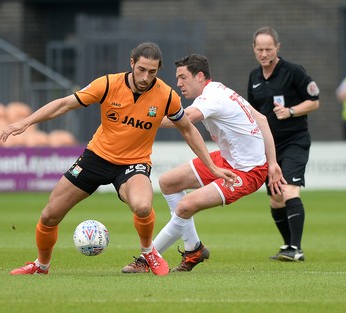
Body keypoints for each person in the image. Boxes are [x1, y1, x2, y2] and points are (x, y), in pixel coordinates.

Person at [0, 42, 235, 276]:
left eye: (152, 72)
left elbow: (188, 130)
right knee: (50, 215)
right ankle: (41, 266)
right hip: (96, 158)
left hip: (134, 164)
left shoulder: (166, 96)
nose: (145, 77)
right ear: (132, 63)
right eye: (141, 69)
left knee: (143, 206)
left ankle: (149, 251)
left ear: (158, 70)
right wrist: (26, 122)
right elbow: (64, 104)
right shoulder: (108, 84)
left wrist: (211, 166)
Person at [122, 54, 285, 273]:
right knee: (168, 182)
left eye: (183, 77)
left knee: (185, 206)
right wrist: (273, 162)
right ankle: (194, 249)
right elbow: (262, 120)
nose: (179, 83)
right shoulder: (219, 90)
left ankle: (145, 259)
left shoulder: (212, 97)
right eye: (177, 78)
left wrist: (141, 119)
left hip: (247, 172)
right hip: (227, 160)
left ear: (199, 76)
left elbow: (185, 118)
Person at [247, 26, 320, 261]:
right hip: (270, 147)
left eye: (269, 49)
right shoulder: (254, 77)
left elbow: (314, 101)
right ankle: (288, 245)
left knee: (288, 190)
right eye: (260, 49)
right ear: (254, 49)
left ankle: (296, 249)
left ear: (277, 48)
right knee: (276, 198)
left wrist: (290, 111)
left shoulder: (293, 71)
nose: (264, 53)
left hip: (295, 141)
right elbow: (253, 112)